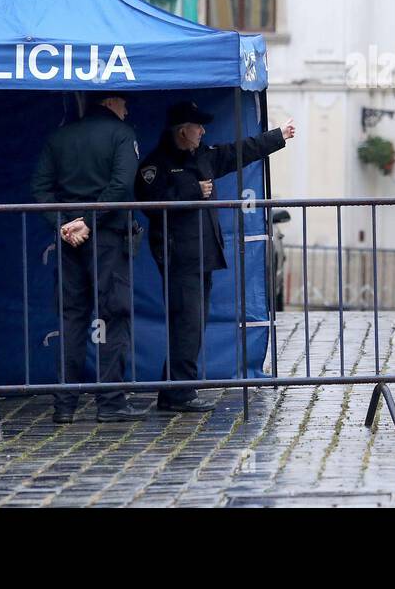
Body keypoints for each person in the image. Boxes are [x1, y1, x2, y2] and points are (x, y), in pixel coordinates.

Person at [136, 100, 295, 413]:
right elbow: (149, 202)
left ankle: (175, 389)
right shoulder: (157, 164)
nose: (203, 131)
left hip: (202, 254)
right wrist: (193, 191)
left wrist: (278, 136)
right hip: (178, 254)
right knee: (186, 324)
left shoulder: (203, 155)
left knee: (192, 325)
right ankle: (180, 393)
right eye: (198, 126)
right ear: (183, 131)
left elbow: (240, 151)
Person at [31, 93, 145, 424]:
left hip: (69, 239)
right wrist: (90, 220)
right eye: (125, 104)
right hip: (108, 237)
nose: (127, 110)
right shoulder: (122, 134)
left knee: (71, 318)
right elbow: (122, 185)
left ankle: (64, 405)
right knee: (113, 315)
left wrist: (66, 222)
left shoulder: (60, 136)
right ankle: (110, 402)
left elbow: (39, 188)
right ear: (111, 103)